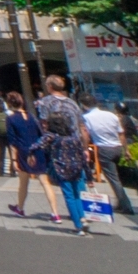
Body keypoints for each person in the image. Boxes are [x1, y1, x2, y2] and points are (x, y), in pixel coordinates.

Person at [35, 76, 93, 234]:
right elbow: (83, 128)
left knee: (67, 188)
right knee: (79, 188)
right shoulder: (73, 103)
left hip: (59, 149)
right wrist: (85, 148)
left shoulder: (45, 102)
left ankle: (79, 224)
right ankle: (83, 217)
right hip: (76, 146)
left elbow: (44, 125)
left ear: (49, 86)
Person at [5, 90, 61, 222]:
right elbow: (41, 133)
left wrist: (13, 160)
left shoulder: (11, 118)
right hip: (37, 150)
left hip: (23, 152)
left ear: (9, 104)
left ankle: (20, 208)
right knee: (45, 182)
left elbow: (12, 141)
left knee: (23, 182)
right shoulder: (31, 116)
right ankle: (55, 213)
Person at [80, 94, 136, 218]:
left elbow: (85, 135)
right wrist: (126, 150)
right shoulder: (111, 115)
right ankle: (120, 203)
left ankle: (126, 205)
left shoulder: (86, 117)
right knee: (116, 177)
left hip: (104, 149)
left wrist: (85, 149)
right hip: (117, 148)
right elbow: (121, 134)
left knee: (113, 178)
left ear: (84, 105)